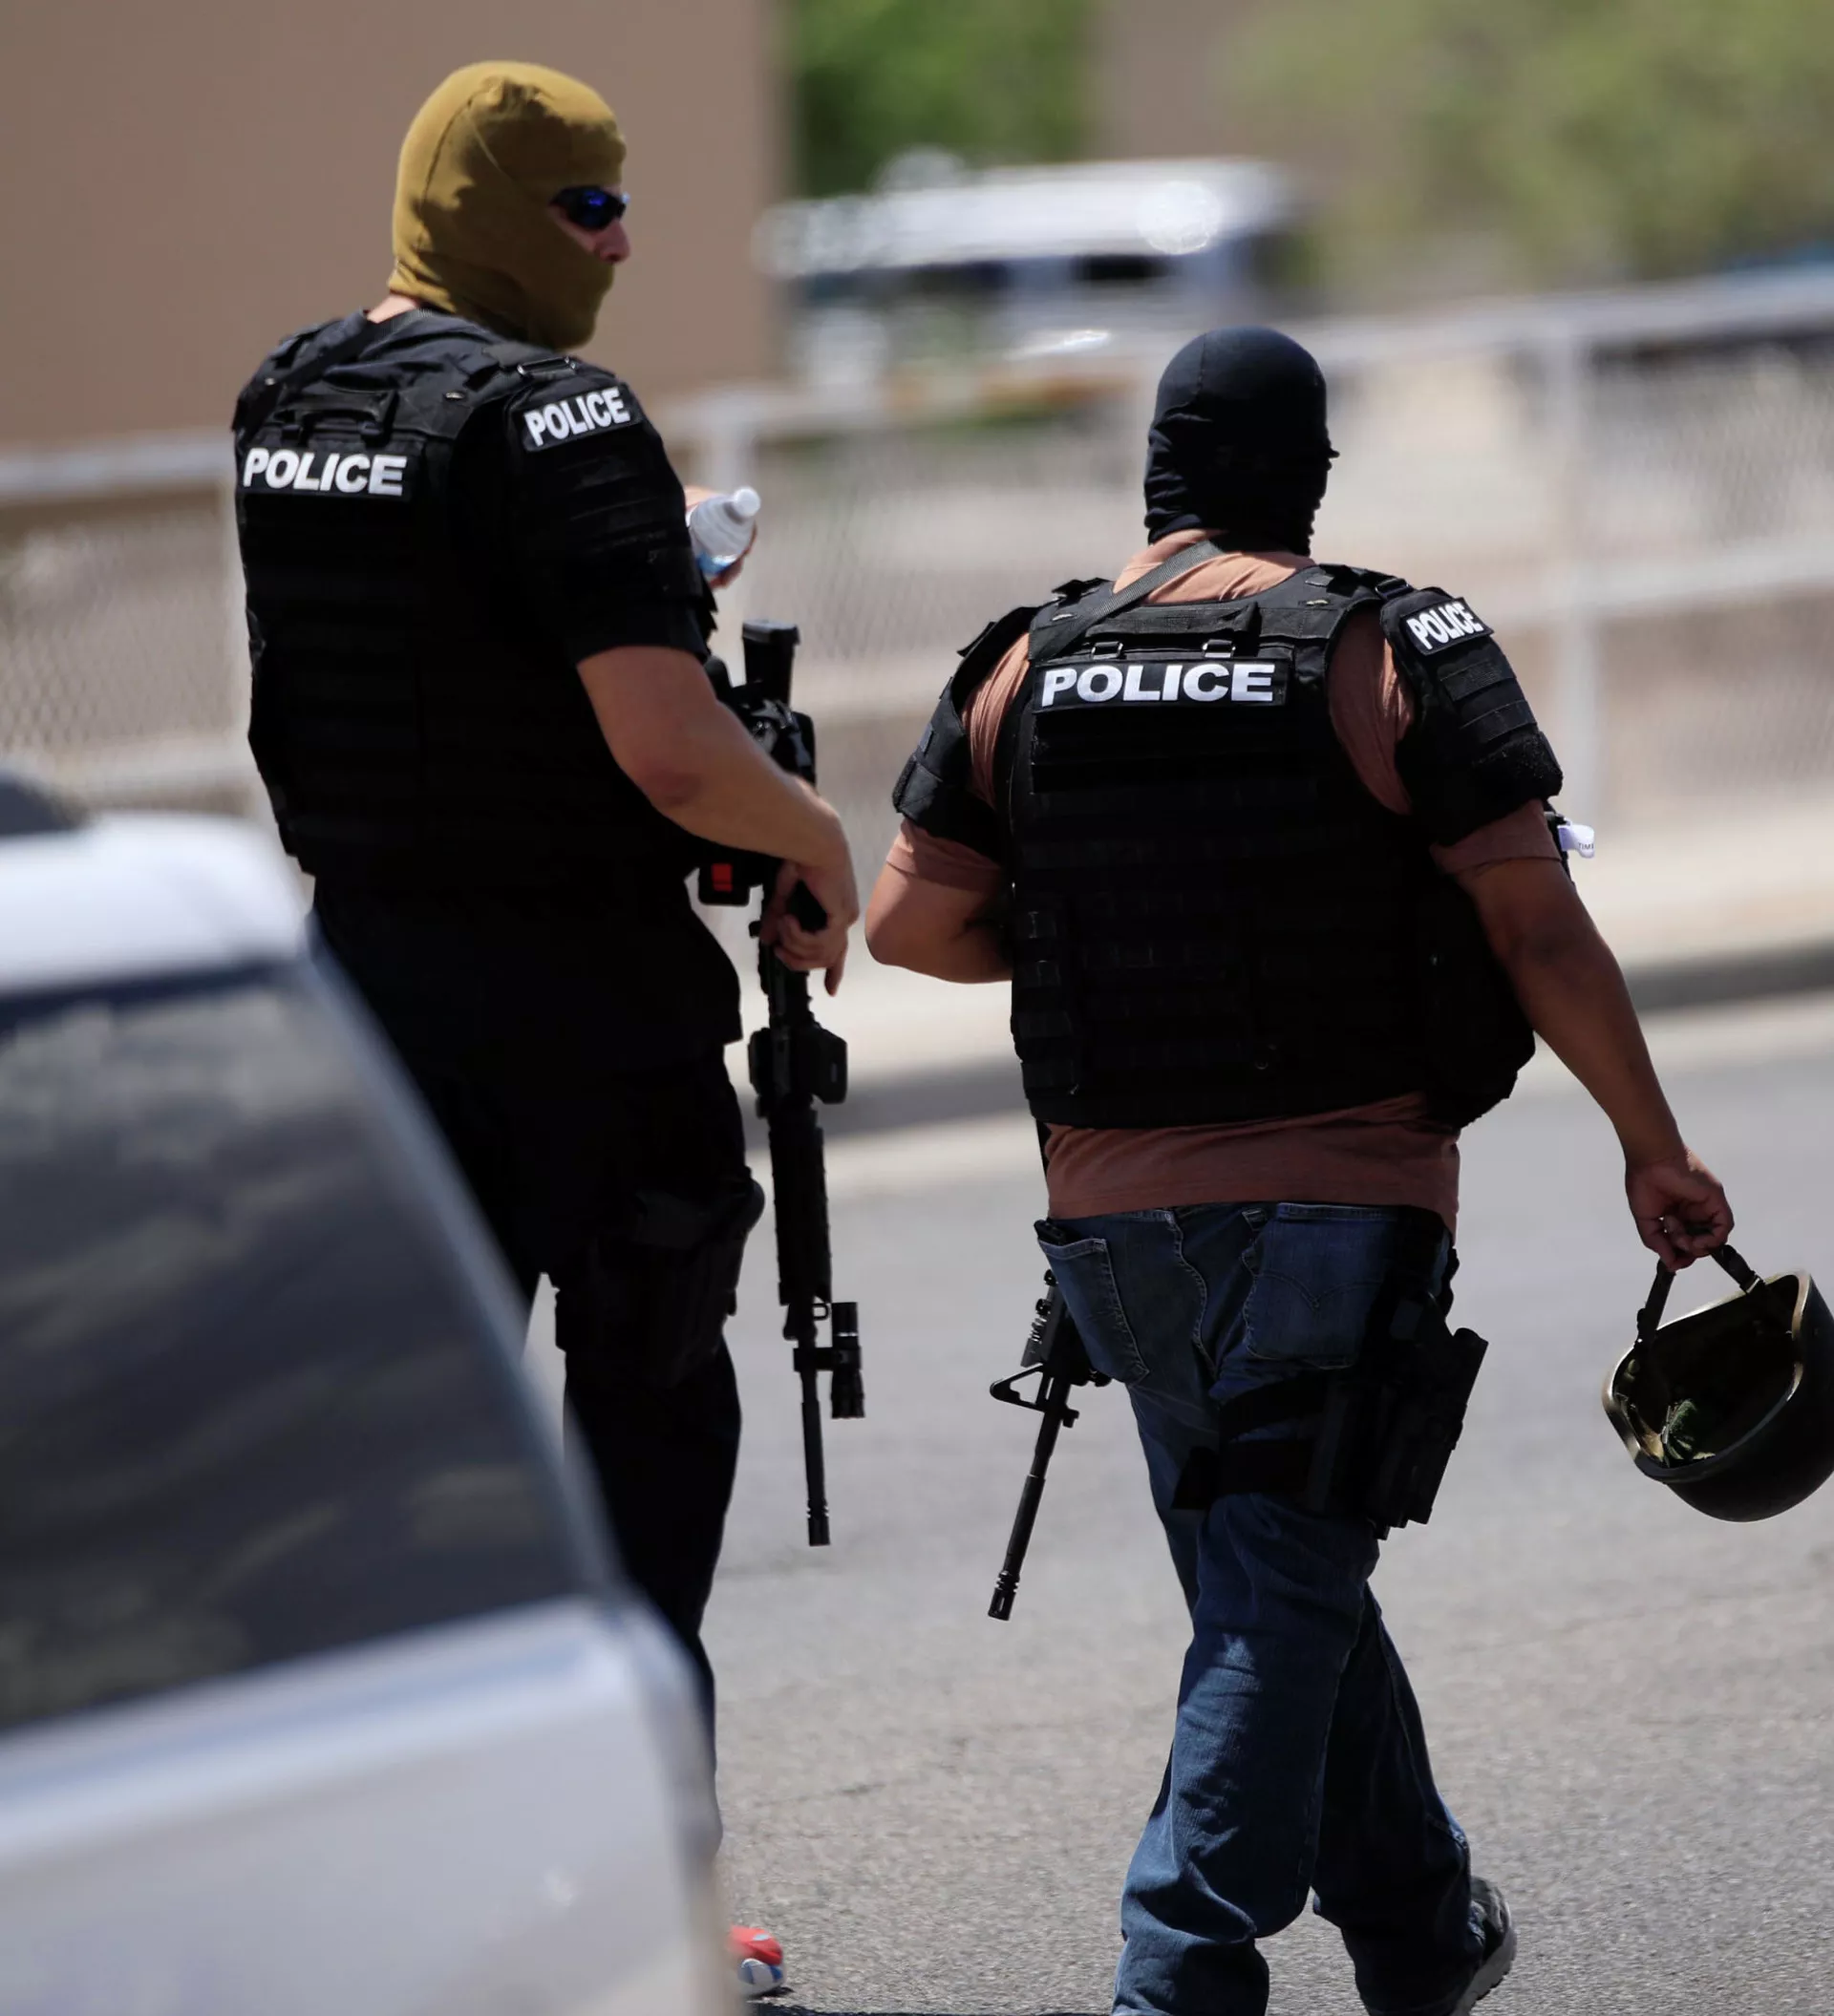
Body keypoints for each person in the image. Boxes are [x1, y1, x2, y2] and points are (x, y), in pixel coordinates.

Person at [867, 326, 1734, 2016]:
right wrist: (1654, 1143)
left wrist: (1101, 935)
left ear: (1159, 473)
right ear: (1311, 475)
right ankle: (1178, 1974)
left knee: (1279, 1568)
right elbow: (1535, 923)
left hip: (1114, 1224)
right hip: (1343, 1200)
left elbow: (909, 924)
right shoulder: (1391, 643)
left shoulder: (1027, 659)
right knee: (1278, 1585)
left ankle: (1418, 1926)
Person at [231, 62, 855, 2000]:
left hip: (365, 996)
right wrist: (815, 832)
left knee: (412, 1480)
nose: (623, 242)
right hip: (582, 1013)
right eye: (589, 206)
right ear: (496, 211)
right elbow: (668, 750)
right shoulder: (559, 415)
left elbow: (424, 658)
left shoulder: (291, 399)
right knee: (648, 1450)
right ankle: (656, 1908)